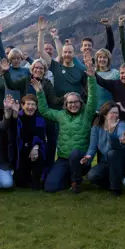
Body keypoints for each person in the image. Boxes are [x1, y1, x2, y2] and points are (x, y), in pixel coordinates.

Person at [35, 63, 99, 193]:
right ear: (66, 104)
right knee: (50, 187)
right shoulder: (60, 115)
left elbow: (93, 99)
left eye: (76, 102)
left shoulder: (86, 114)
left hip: (81, 159)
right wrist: (40, 93)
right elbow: (44, 110)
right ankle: (69, 178)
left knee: (75, 154)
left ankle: (76, 182)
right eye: (70, 102)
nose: (73, 105)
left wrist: (91, 79)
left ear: (80, 103)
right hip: (63, 158)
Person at [14, 94, 50, 189]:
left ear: (36, 106)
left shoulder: (40, 119)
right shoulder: (17, 117)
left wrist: (36, 147)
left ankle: (37, 178)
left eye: (33, 104)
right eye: (28, 104)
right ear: (22, 105)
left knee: (36, 185)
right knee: (20, 183)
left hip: (35, 151)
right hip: (21, 151)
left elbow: (41, 137)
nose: (30, 107)